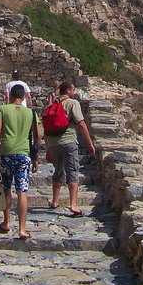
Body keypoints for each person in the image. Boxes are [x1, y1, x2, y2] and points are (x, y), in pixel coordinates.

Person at [0, 83, 40, 239]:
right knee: (22, 191)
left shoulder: (3, 110)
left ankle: (6, 222)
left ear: (11, 96)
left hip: (6, 152)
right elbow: (37, 137)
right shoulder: (31, 113)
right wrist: (36, 158)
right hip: (24, 153)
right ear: (24, 97)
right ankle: (22, 228)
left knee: (6, 188)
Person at [46, 81, 95, 217]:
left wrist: (48, 148)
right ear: (68, 91)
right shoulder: (72, 103)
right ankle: (73, 205)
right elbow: (81, 124)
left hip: (53, 143)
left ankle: (55, 201)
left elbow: (46, 128)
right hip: (68, 142)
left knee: (58, 171)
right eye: (73, 90)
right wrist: (89, 142)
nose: (74, 93)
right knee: (73, 171)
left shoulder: (52, 105)